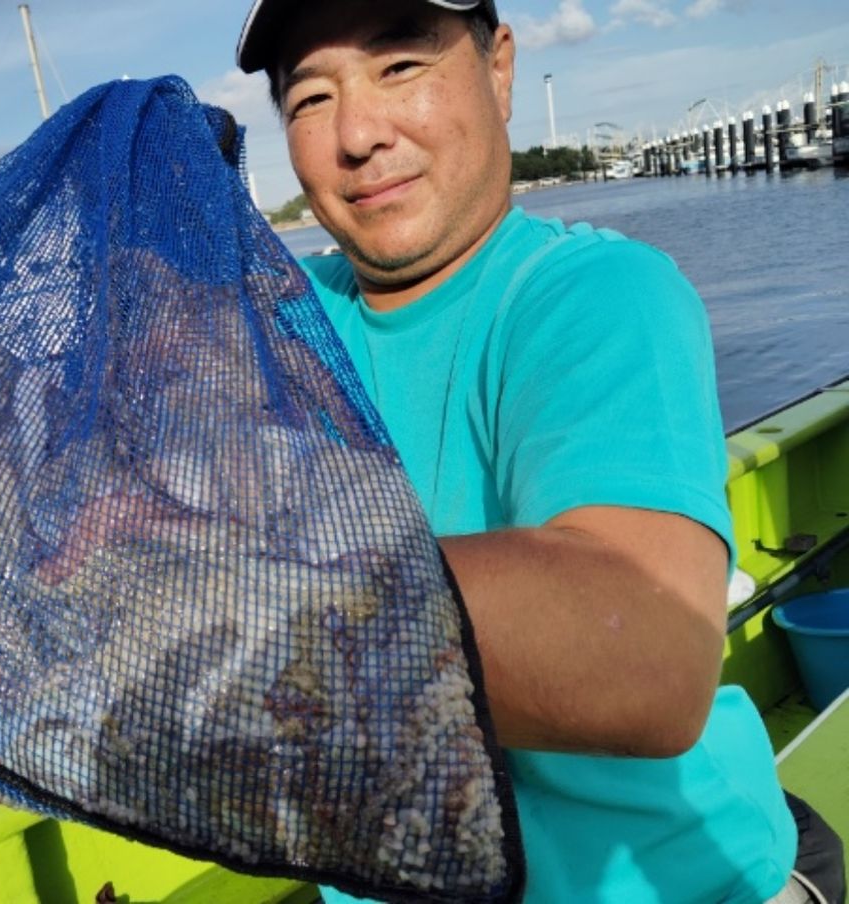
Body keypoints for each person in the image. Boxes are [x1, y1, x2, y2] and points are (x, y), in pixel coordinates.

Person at [236, 1, 844, 901]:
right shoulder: (272, 328)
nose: (357, 134)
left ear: (501, 68)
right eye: (310, 99)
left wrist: (232, 589)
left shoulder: (599, 293)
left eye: (400, 66)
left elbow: (647, 649)